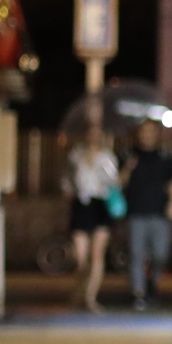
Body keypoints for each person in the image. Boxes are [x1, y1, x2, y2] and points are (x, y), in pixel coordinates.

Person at [120, 119, 172, 311]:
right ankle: (138, 293)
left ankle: (152, 283)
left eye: (151, 131)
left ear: (156, 134)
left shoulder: (164, 156)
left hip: (159, 214)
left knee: (160, 254)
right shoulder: (128, 155)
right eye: (144, 132)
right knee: (137, 254)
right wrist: (128, 168)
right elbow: (119, 183)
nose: (147, 135)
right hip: (136, 212)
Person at [65, 128, 119, 313]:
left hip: (101, 204)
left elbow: (114, 181)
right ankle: (79, 291)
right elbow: (67, 180)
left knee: (97, 255)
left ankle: (90, 297)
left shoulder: (107, 157)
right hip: (82, 204)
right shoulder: (75, 156)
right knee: (80, 257)